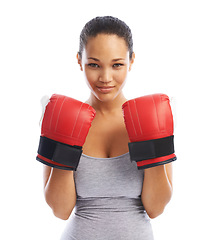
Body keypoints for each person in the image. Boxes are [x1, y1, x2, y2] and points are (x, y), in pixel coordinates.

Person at [38, 16, 176, 240]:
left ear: (131, 61)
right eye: (94, 64)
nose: (105, 77)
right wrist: (65, 141)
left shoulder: (152, 116)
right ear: (79, 60)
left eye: (117, 64)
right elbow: (60, 210)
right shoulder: (60, 115)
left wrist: (152, 142)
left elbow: (156, 208)